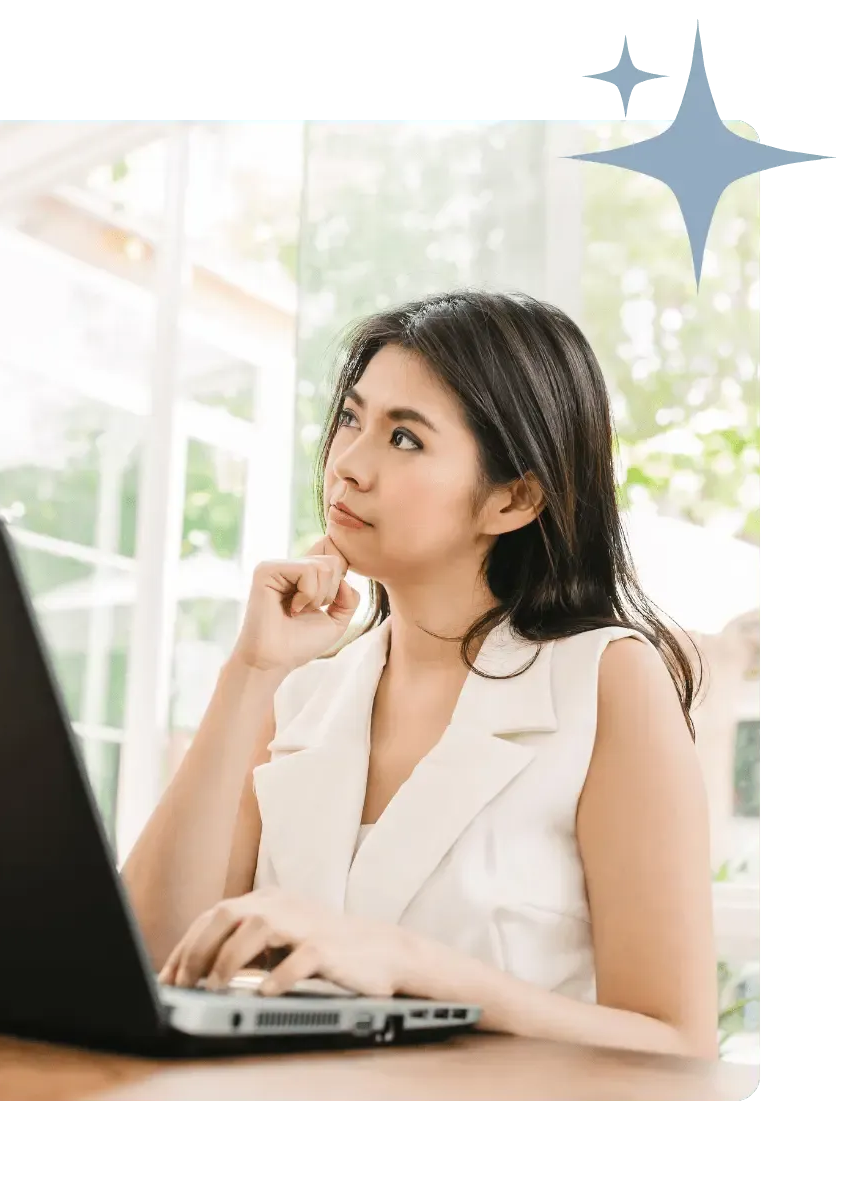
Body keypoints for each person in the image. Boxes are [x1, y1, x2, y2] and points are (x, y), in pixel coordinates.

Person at [121, 289, 720, 1060]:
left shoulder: (606, 680)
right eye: (351, 419)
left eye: (404, 438)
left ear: (513, 498)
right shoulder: (301, 693)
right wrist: (252, 669)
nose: (349, 466)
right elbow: (146, 953)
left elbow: (678, 1042)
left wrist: (415, 969)